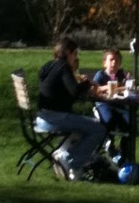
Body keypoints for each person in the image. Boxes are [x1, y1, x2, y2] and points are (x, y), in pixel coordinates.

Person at [36, 38, 110, 181]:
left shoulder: (50, 65)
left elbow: (55, 87)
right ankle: (69, 160)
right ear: (68, 53)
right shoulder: (64, 67)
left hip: (42, 117)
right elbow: (75, 91)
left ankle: (79, 158)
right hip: (55, 118)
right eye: (75, 53)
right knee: (98, 128)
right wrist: (87, 82)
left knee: (86, 124)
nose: (76, 57)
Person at [91, 47, 131, 149]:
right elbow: (95, 88)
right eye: (111, 60)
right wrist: (110, 87)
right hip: (104, 104)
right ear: (105, 63)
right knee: (109, 120)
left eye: (117, 61)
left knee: (130, 122)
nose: (114, 63)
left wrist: (128, 82)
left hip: (119, 104)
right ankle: (108, 144)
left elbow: (128, 87)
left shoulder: (122, 75)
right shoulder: (101, 75)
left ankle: (125, 150)